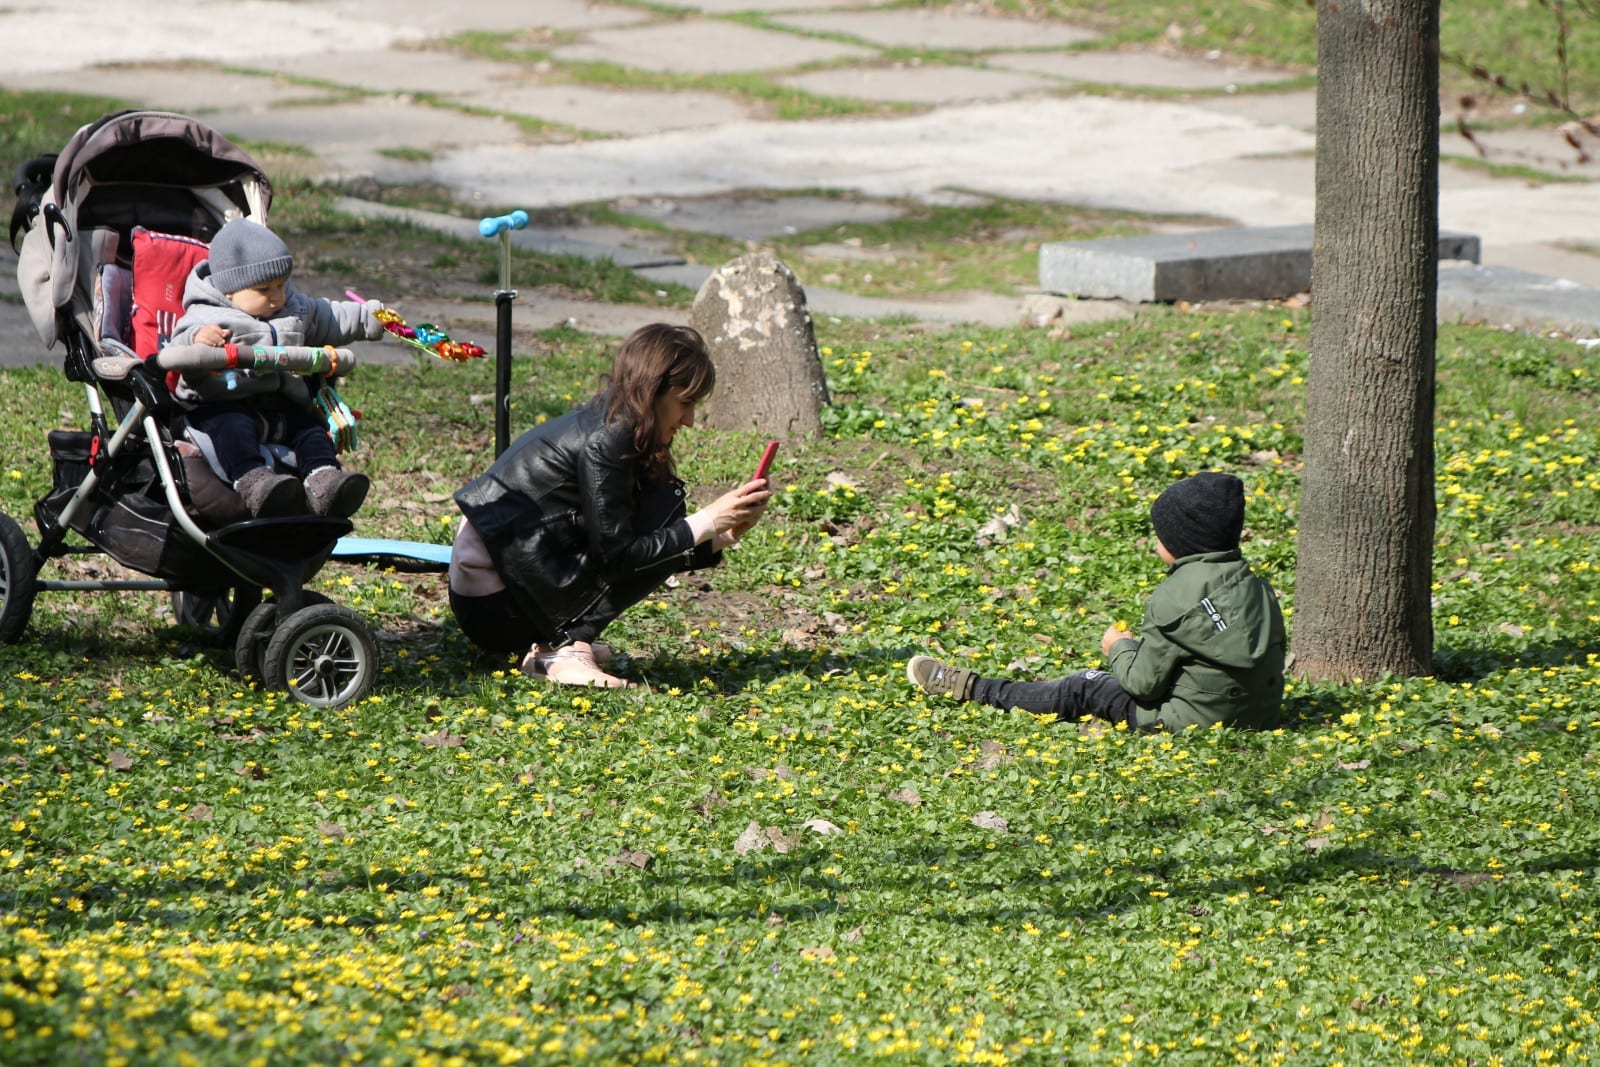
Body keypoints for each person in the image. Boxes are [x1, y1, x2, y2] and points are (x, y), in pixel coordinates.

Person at [448, 323, 771, 688]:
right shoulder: (609, 440)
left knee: (656, 528)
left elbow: (638, 540)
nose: (690, 421)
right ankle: (565, 651)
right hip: (496, 608)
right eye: (685, 403)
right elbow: (620, 559)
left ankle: (555, 648)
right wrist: (707, 521)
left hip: (496, 596)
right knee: (640, 544)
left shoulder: (611, 422)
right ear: (653, 391)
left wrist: (721, 534)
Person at [907, 471, 1286, 731]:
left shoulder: (1173, 598)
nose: (1155, 542)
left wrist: (1118, 647)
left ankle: (971, 687)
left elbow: (1142, 686)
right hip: (1260, 715)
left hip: (1187, 722)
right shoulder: (1257, 587)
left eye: (1160, 534)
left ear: (1181, 542)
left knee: (1085, 685)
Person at [167, 218, 382, 519]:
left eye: (282, 285)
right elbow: (176, 350)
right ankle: (256, 484)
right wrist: (198, 341)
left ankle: (326, 482)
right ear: (229, 290)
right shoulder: (206, 317)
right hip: (221, 405)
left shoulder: (293, 309)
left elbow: (332, 316)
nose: (277, 297)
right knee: (233, 430)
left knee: (311, 430)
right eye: (265, 289)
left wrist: (372, 317)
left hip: (279, 404)